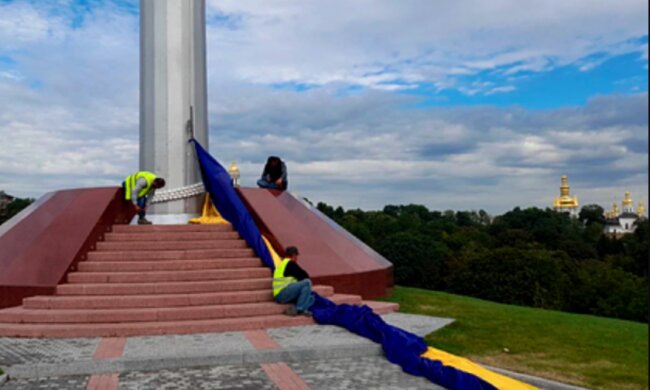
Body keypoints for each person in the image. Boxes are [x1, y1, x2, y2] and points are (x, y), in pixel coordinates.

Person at [273, 246, 314, 316]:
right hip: (281, 294)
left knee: (311, 298)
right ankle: (299, 309)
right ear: (294, 255)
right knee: (307, 283)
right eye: (297, 255)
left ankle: (296, 309)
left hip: (285, 292)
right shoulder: (290, 264)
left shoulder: (283, 263)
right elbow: (304, 275)